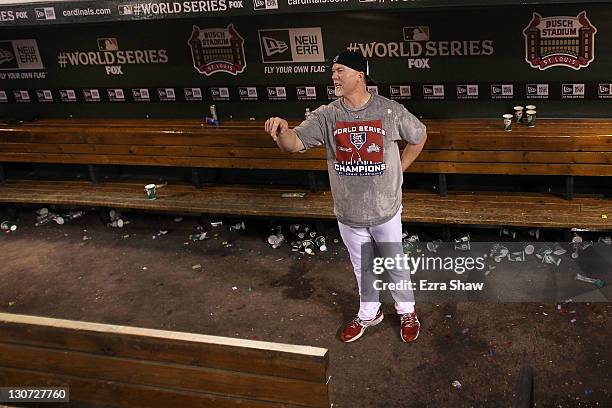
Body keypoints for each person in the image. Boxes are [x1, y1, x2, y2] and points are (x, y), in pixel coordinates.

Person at [264, 50, 427, 343]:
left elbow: (419, 136)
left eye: (339, 70)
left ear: (359, 75)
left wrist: (399, 172)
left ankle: (406, 311)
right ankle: (369, 312)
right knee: (360, 266)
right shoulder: (327, 115)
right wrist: (283, 132)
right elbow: (294, 144)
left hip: (385, 208)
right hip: (349, 211)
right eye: (333, 71)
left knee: (394, 262)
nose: (334, 76)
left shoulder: (389, 110)